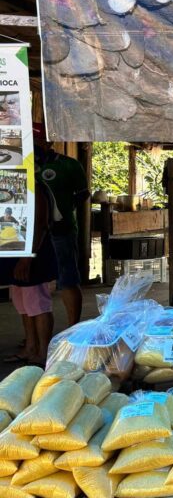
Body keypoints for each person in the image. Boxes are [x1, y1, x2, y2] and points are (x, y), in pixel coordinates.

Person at [34, 123, 88, 326]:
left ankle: (72, 327)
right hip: (32, 233)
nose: (34, 144)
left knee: (67, 279)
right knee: (32, 283)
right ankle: (34, 336)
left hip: (60, 230)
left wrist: (63, 212)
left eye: (38, 139)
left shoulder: (68, 165)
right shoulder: (23, 164)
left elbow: (83, 194)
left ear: (49, 142)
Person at [0, 181, 57, 364]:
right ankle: (31, 347)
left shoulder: (34, 185)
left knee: (37, 303)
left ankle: (44, 352)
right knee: (22, 303)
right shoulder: (10, 186)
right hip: (14, 251)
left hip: (33, 253)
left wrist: (27, 258)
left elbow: (40, 222)